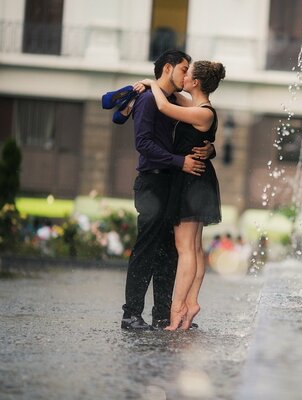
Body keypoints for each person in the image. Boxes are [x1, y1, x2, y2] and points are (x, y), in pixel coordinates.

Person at [120, 50, 215, 331]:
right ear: (168, 68)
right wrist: (180, 161)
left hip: (174, 182)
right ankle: (131, 314)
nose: (187, 75)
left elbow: (197, 131)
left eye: (189, 71)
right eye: (183, 69)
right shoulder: (149, 100)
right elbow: (144, 144)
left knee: (170, 252)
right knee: (146, 249)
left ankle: (162, 314)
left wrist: (209, 150)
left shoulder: (173, 101)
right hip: (152, 182)